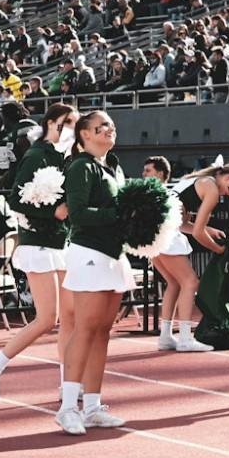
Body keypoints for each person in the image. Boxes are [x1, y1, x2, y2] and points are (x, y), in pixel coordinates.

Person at [0, 103, 78, 401]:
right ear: (49, 123)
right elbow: (16, 200)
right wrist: (53, 211)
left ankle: (68, 386)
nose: (70, 127)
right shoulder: (36, 155)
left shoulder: (66, 157)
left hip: (61, 242)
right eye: (65, 122)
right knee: (47, 319)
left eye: (74, 122)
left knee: (69, 318)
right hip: (38, 242)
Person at [55, 110, 133, 436]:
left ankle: (92, 406)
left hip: (112, 255)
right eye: (102, 126)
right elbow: (80, 215)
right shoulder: (81, 167)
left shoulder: (110, 167)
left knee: (102, 332)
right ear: (84, 134)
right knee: (85, 329)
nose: (109, 130)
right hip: (89, 254)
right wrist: (121, 214)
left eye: (112, 125)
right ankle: (68, 407)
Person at [155, 161, 229, 353]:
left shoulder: (195, 180)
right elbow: (197, 233)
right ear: (228, 177)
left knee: (174, 283)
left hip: (152, 227)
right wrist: (219, 250)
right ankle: (185, 338)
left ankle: (166, 336)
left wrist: (210, 230)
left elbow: (184, 224)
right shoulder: (211, 188)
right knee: (190, 282)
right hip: (163, 228)